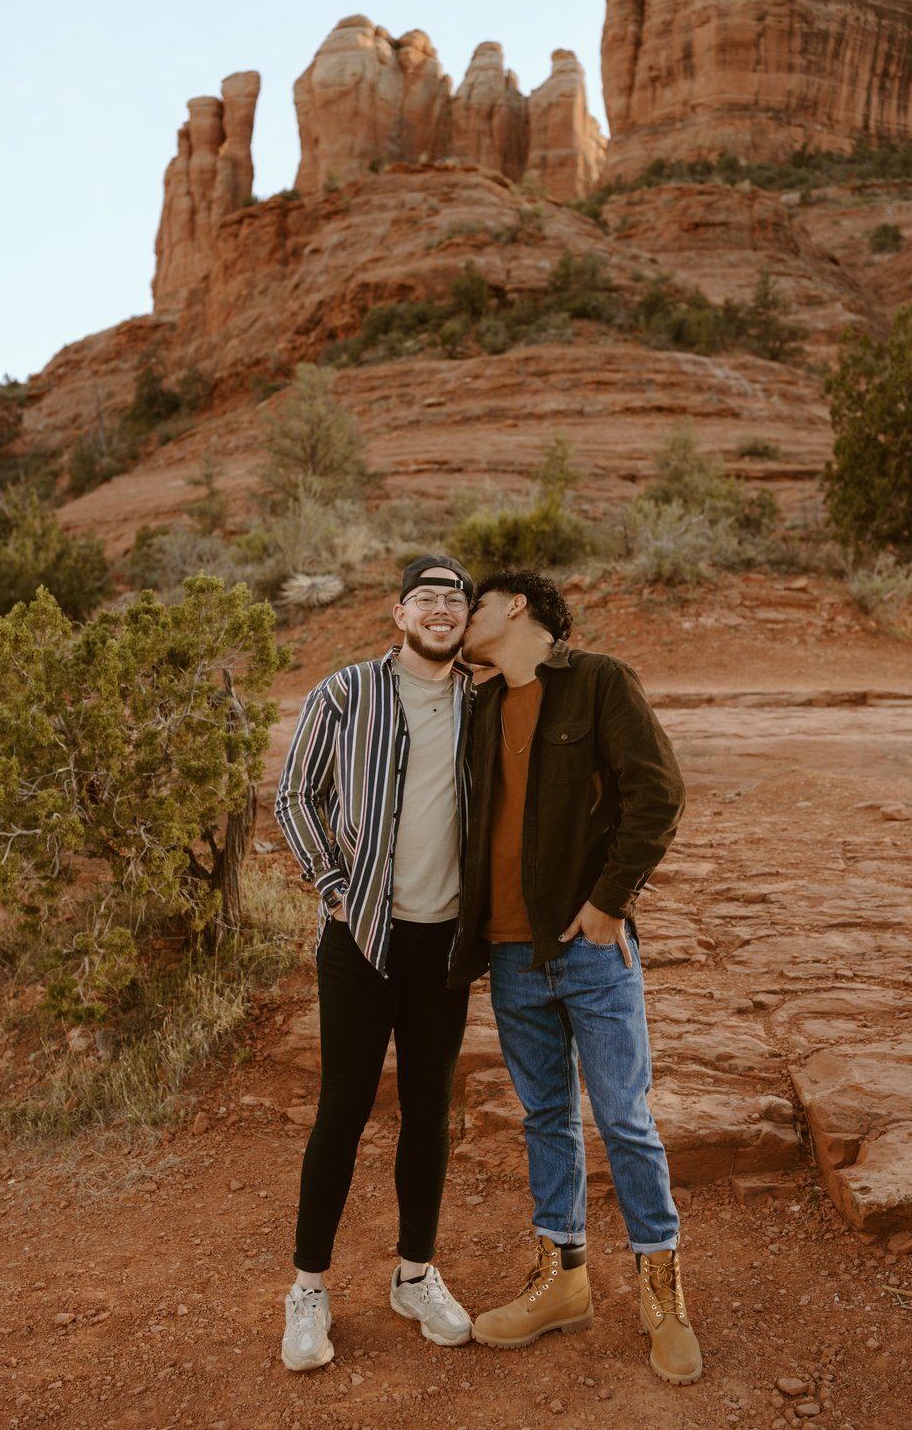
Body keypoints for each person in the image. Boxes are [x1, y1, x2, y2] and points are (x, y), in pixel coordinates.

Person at [452, 568, 702, 1386]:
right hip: (508, 954)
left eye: (474, 605)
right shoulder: (481, 705)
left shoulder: (598, 681)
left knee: (625, 1119)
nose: (464, 619)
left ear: (515, 607)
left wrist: (608, 903)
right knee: (546, 1118)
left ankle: (660, 1288)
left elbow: (658, 794)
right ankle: (562, 1280)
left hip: (589, 950)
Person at [274, 555, 476, 1372]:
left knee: (428, 1114)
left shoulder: (485, 699)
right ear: (398, 613)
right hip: (360, 938)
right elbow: (294, 794)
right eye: (425, 597)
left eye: (453, 599)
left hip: (446, 944)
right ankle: (308, 1290)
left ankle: (414, 1274)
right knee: (343, 1111)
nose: (440, 609)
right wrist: (330, 883)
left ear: (466, 618)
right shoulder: (345, 692)